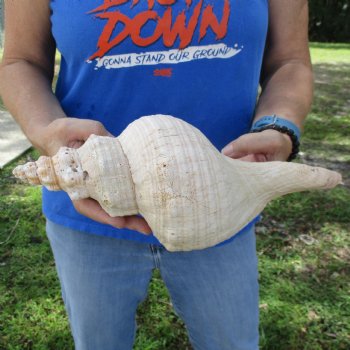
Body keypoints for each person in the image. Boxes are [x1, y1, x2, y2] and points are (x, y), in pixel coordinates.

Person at [0, 1, 313, 349]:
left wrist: (278, 126)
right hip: (90, 211)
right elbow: (20, 61)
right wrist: (46, 130)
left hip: (220, 207)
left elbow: (289, 61)